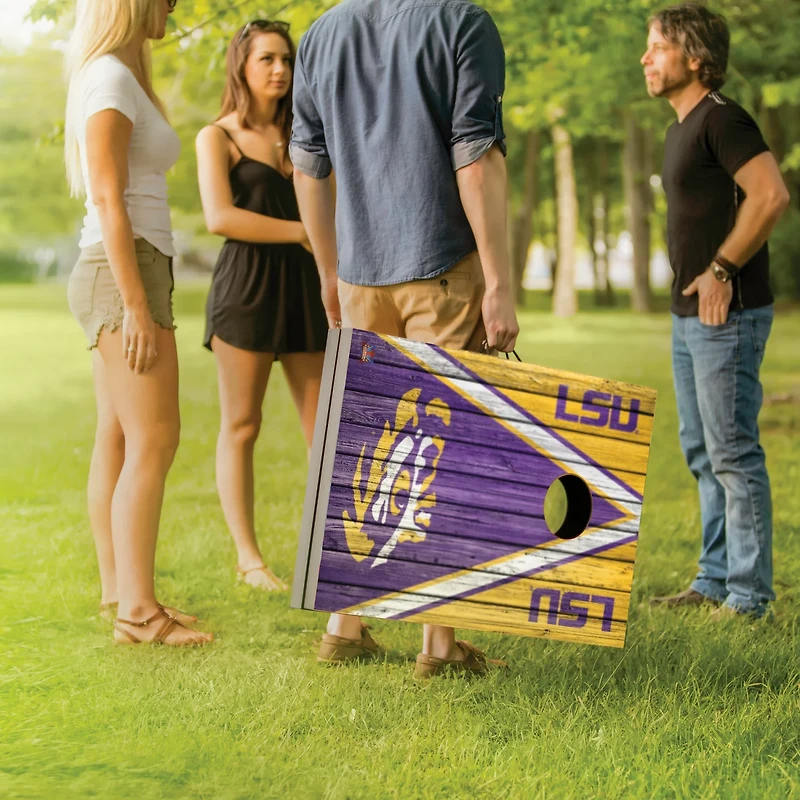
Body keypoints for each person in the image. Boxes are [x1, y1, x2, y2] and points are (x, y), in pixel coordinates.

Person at [291, 0, 520, 677]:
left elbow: (308, 163)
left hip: (361, 275)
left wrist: (328, 270)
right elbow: (475, 152)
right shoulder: (463, 22)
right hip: (441, 265)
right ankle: (439, 647)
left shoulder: (322, 34)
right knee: (443, 450)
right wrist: (500, 280)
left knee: (364, 444)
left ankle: (344, 628)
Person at [64, 0, 213, 645]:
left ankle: (121, 598)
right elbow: (105, 195)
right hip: (122, 272)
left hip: (127, 267)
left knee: (120, 439)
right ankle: (138, 615)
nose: (175, 4)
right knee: (154, 438)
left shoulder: (119, 75)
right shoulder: (109, 79)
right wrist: (135, 306)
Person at [642, 4, 789, 618]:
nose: (645, 59)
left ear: (696, 58)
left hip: (727, 315)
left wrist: (722, 270)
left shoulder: (723, 120)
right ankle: (713, 579)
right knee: (703, 451)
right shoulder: (682, 126)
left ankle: (749, 597)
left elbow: (771, 194)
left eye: (657, 47)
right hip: (689, 317)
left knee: (732, 453)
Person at [196, 21, 328, 591]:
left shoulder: (309, 134)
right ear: (242, 68)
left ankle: (331, 554)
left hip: (307, 289)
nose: (279, 69)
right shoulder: (217, 136)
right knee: (243, 425)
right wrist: (302, 230)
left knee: (325, 430)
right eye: (266, 59)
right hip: (245, 292)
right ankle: (249, 561)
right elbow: (219, 218)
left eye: (286, 59)